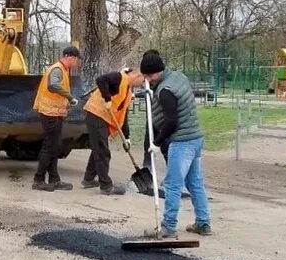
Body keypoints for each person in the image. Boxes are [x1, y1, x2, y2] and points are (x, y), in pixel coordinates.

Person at [139, 50, 212, 237]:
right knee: (195, 182)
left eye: (149, 75)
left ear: (157, 71)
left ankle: (168, 226)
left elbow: (172, 121)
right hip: (196, 138)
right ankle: (203, 223)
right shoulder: (178, 77)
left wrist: (156, 143)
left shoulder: (165, 91)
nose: (148, 79)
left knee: (172, 185)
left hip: (182, 142)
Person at [81, 67, 145, 195]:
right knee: (102, 150)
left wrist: (127, 137)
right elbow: (101, 80)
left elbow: (123, 114)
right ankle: (106, 186)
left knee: (98, 148)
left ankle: (88, 179)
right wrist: (107, 98)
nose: (142, 84)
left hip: (103, 118)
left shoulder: (128, 91)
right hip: (96, 113)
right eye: (143, 81)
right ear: (137, 76)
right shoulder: (119, 77)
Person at [32, 46, 82, 192]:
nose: (77, 63)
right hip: (50, 114)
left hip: (55, 113)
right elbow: (53, 85)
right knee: (49, 147)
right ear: (71, 57)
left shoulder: (62, 70)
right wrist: (70, 96)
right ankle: (38, 180)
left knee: (54, 146)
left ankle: (54, 179)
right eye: (77, 60)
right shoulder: (58, 69)